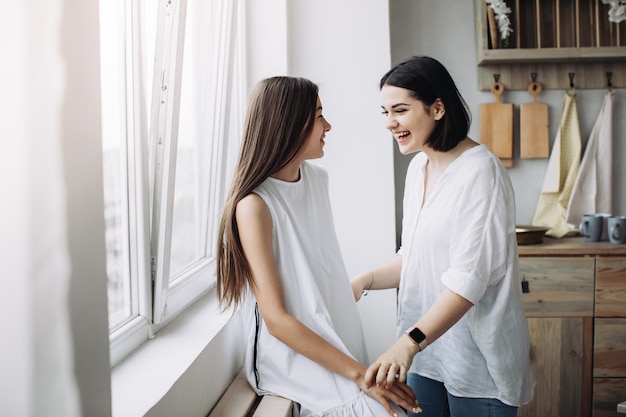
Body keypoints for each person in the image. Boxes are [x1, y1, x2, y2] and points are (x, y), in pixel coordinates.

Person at [216, 76, 420, 417]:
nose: (328, 125)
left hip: (336, 340)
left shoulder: (317, 180)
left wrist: (361, 370)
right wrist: (362, 376)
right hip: (292, 358)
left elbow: (321, 272)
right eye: (319, 116)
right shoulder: (254, 205)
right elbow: (277, 320)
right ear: (289, 124)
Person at [351, 56, 535, 417]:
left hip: (476, 366)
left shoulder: (482, 173)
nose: (390, 123)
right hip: (426, 360)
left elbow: (468, 282)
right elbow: (413, 257)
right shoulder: (419, 166)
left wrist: (409, 342)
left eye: (400, 110)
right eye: (385, 112)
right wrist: (362, 281)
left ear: (437, 108)